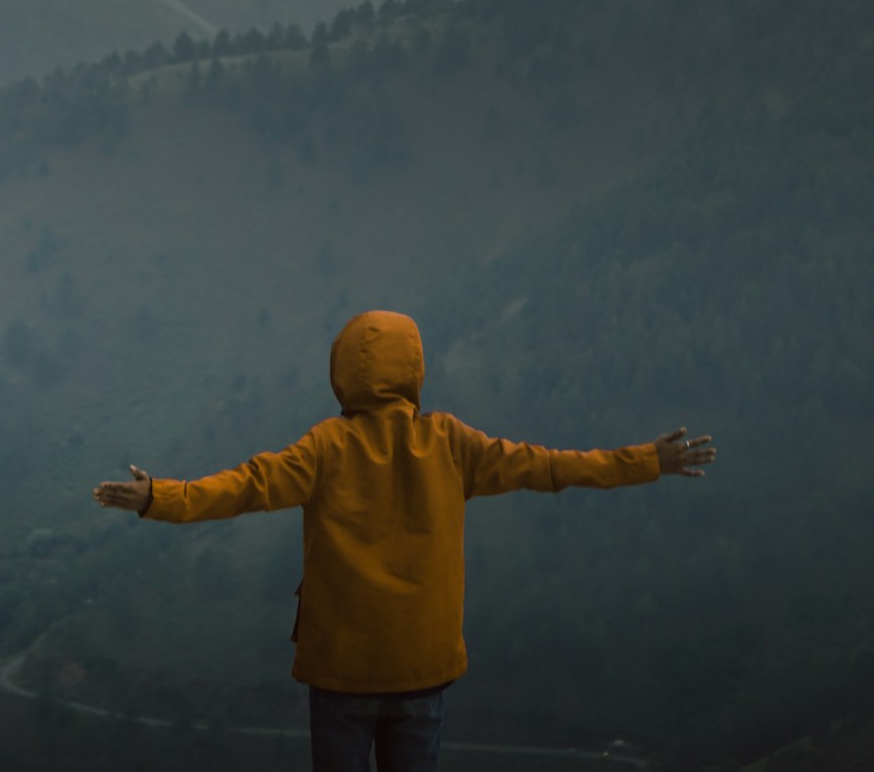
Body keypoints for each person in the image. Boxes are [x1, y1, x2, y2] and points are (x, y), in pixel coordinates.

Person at [93, 309, 715, 771]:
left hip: (340, 672)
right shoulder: (451, 443)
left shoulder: (325, 448)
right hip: (422, 669)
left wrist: (159, 497)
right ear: (415, 369)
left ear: (342, 373)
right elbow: (551, 466)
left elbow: (245, 487)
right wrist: (644, 462)